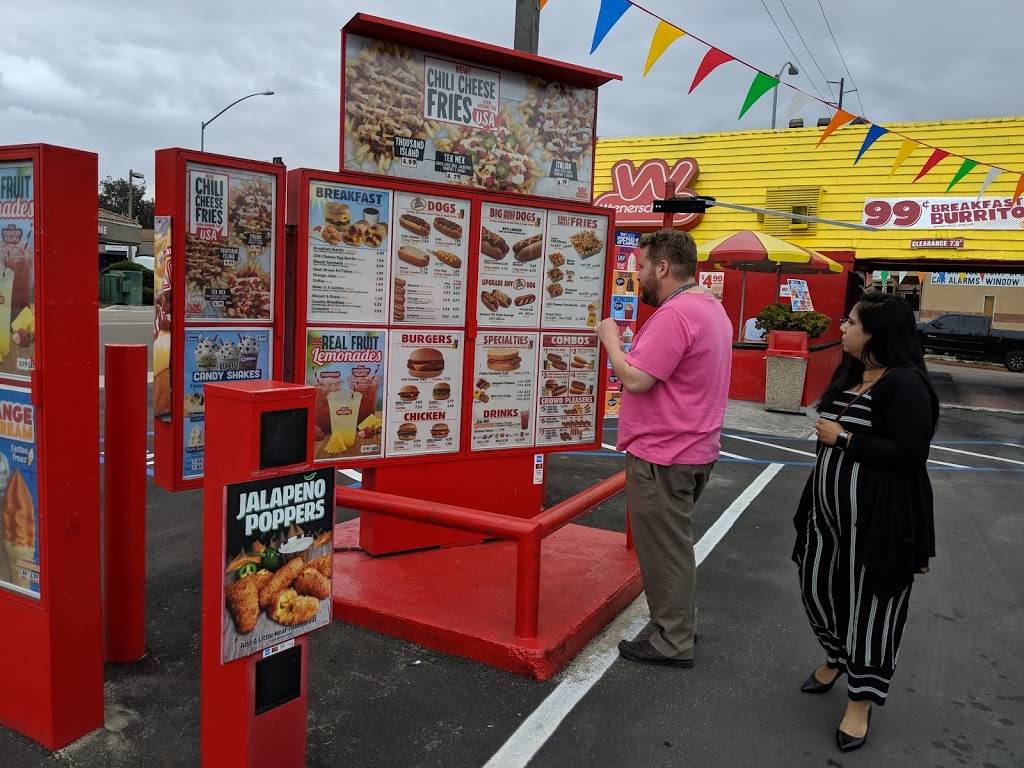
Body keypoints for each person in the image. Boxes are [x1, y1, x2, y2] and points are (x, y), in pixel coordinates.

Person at [793, 291, 937, 752]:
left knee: (873, 611)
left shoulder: (906, 385)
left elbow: (910, 455)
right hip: (826, 518)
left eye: (850, 322)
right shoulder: (852, 374)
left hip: (878, 526)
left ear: (876, 333)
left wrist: (845, 440)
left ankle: (861, 701)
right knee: (818, 589)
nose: (842, 328)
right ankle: (837, 655)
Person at [597, 229, 732, 668]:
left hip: (664, 455)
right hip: (695, 449)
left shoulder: (677, 314)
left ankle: (672, 641)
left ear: (662, 267)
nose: (636, 277)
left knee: (664, 553)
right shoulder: (711, 308)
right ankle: (680, 625)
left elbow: (636, 379)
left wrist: (610, 341)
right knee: (676, 545)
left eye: (639, 267)